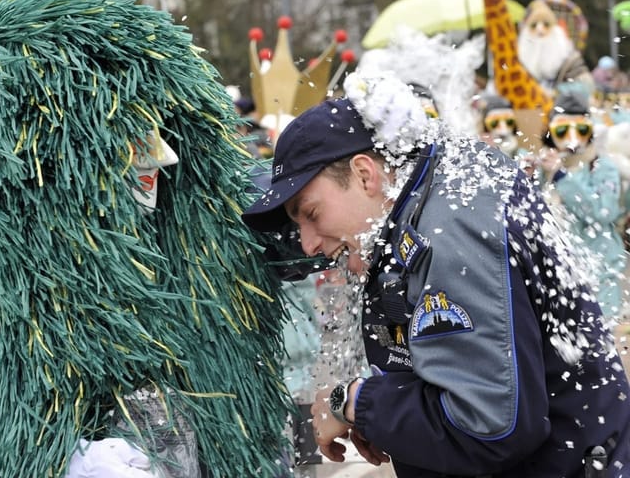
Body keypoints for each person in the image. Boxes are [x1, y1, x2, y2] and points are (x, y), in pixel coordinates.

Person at [241, 71, 630, 478]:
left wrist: (354, 400)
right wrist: (391, 423)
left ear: (364, 174)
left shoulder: (450, 227)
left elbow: (490, 426)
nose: (307, 244)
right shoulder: (433, 191)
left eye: (312, 214)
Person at [538, 88, 627, 320]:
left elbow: (601, 212)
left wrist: (562, 177)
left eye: (581, 129)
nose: (572, 137)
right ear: (550, 132)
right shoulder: (542, 166)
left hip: (600, 275)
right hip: (557, 276)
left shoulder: (602, 166)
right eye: (562, 130)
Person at [518, 0, 594, 96]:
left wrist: (558, 92)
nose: (540, 30)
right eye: (533, 25)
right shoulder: (519, 63)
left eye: (546, 24)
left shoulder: (571, 60)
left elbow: (587, 86)